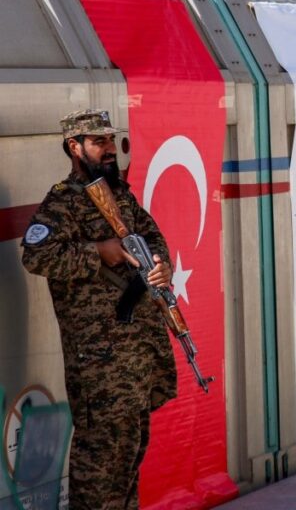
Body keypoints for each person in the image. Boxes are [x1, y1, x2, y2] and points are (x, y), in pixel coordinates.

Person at [21, 110, 177, 510]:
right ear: (75, 147)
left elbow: (152, 234)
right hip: (100, 364)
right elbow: (36, 256)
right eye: (98, 142)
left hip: (136, 354)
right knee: (99, 464)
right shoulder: (63, 202)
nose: (109, 149)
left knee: (129, 454)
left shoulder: (119, 195)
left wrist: (160, 263)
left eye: (110, 141)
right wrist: (97, 253)